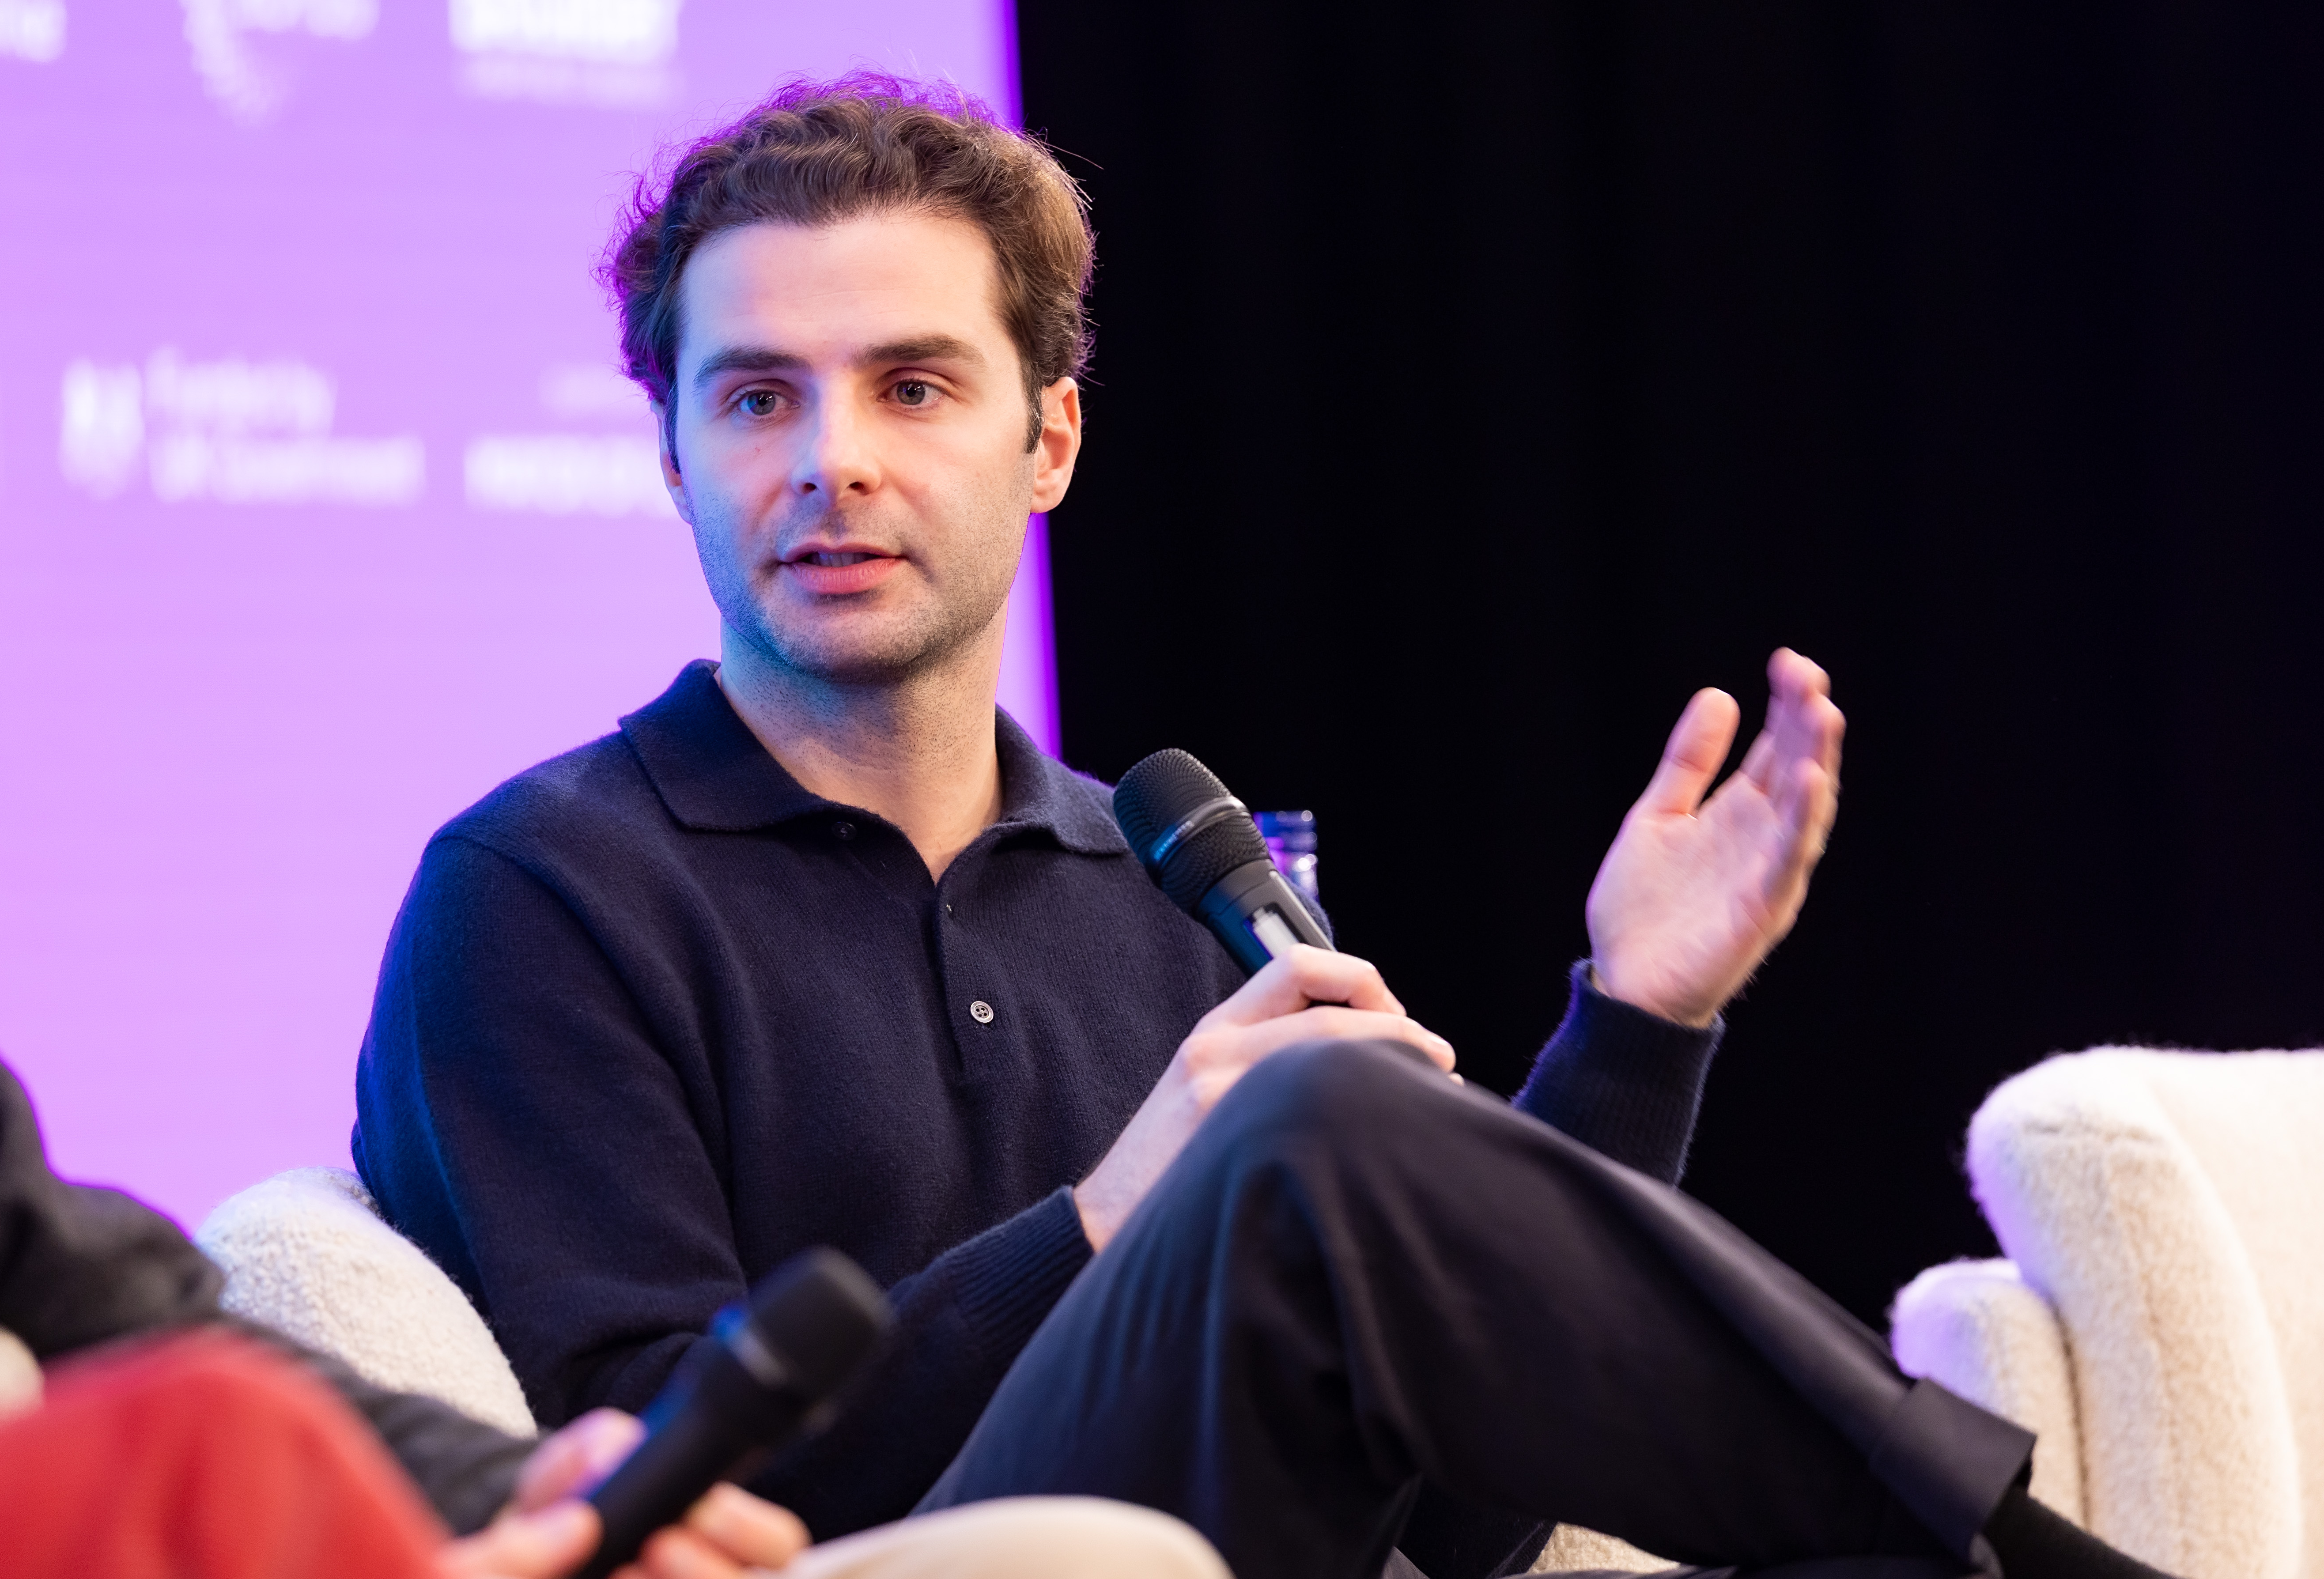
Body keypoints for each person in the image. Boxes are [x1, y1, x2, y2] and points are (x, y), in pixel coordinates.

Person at [353, 75, 2177, 1579]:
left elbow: (1470, 1527)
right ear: (675, 456)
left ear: (1049, 442)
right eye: (758, 397)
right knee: (1312, 1123)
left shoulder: (1160, 882)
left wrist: (1636, 1024)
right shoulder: (540, 892)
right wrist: (1116, 1213)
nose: (834, 458)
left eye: (913, 386)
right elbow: (654, 1496)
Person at [0, 1021, 1225, 1579]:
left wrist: (521, 1487)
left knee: (1110, 1565)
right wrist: (1087, 1231)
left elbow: (149, 1326)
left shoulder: (1145, 870)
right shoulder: (534, 880)